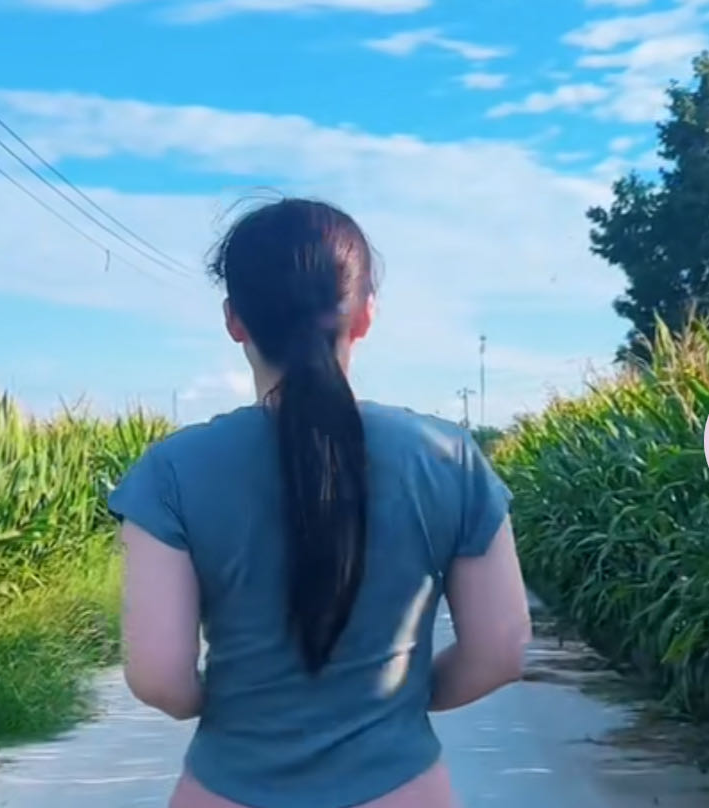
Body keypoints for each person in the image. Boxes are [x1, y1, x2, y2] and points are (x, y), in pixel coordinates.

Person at [107, 198, 533, 808]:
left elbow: (160, 679)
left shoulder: (172, 471)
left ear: (235, 320)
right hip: (404, 789)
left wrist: (232, 707)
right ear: (365, 315)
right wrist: (403, 702)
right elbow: (502, 649)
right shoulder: (448, 458)